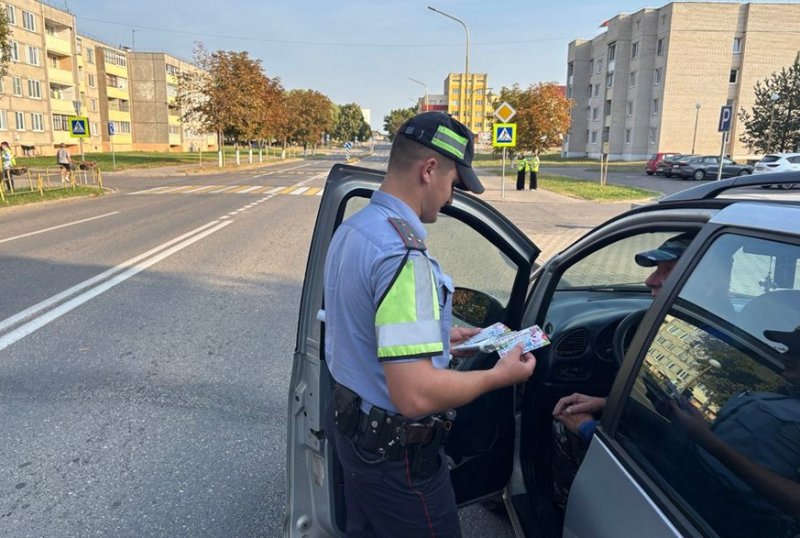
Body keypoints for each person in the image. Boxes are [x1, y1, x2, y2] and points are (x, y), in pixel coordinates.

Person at [323, 111, 537, 537]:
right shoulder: (404, 258)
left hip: (354, 438)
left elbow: (361, 329)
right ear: (429, 169)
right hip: (398, 463)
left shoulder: (357, 230)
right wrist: (500, 376)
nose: (452, 198)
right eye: (454, 184)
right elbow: (416, 396)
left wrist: (442, 342)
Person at [550, 231, 696, 505]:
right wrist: (607, 402)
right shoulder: (686, 329)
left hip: (654, 487)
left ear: (702, 281)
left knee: (560, 429)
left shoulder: (708, 350)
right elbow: (665, 413)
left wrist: (587, 430)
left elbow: (666, 453)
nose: (649, 280)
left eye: (668, 271)